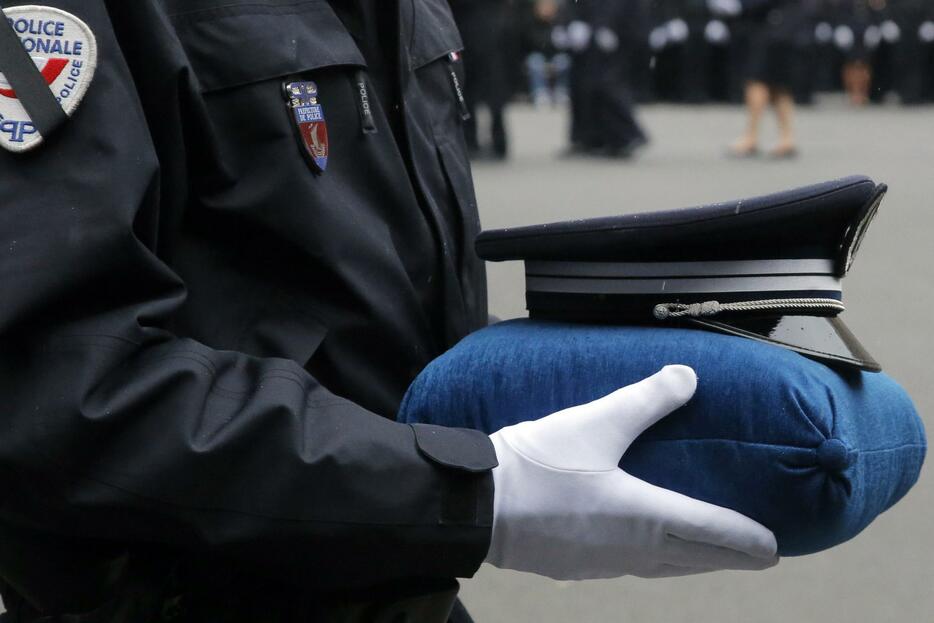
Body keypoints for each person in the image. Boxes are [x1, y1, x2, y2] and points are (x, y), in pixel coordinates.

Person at [0, 2, 779, 622]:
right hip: (171, 592)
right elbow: (49, 380)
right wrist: (475, 492)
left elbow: (365, 287)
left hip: (394, 576)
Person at [712, 0, 807, 158]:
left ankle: (751, 137)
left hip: (772, 29)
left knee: (756, 82)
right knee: (779, 86)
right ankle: (786, 138)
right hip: (785, 27)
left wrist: (740, 5)